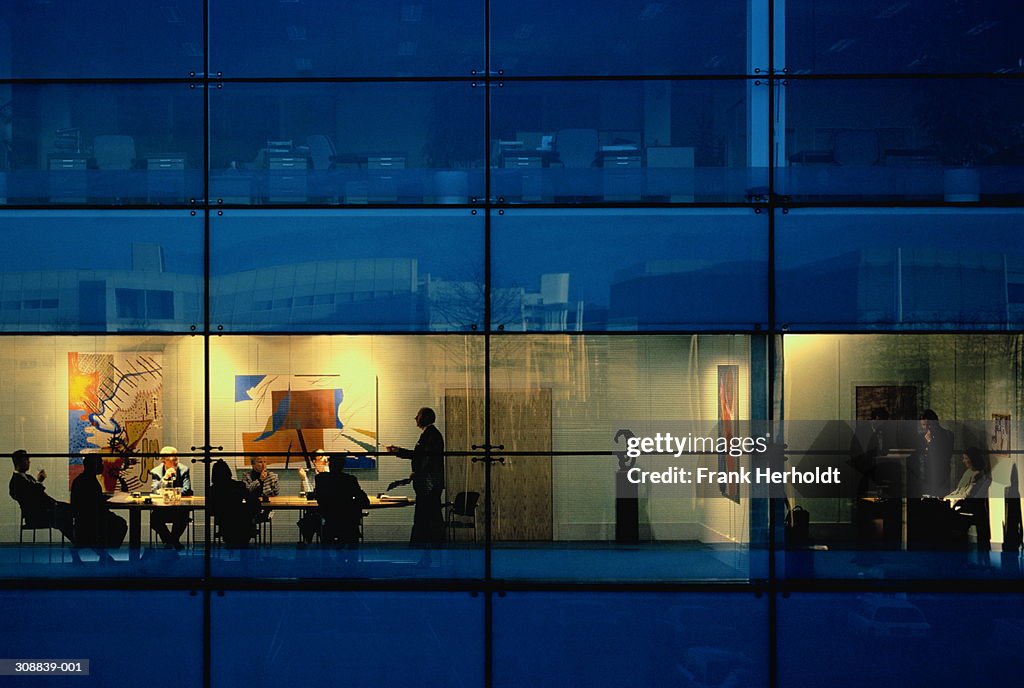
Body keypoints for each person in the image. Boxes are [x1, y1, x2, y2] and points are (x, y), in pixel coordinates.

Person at [386, 407, 446, 546]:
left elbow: (426, 459)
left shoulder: (431, 435)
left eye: (418, 415)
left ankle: (423, 550)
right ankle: (428, 553)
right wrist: (399, 451)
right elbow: (420, 456)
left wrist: (418, 473)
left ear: (424, 418)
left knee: (425, 519)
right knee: (429, 518)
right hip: (428, 484)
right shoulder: (430, 434)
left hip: (427, 485)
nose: (415, 418)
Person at [9, 449, 74, 542]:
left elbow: (40, 495)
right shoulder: (15, 482)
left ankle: (78, 540)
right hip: (36, 515)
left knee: (71, 510)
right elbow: (32, 497)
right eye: (26, 459)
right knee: (64, 516)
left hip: (46, 510)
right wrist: (39, 482)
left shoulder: (29, 478)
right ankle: (78, 540)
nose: (29, 461)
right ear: (19, 462)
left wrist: (56, 503)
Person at [71, 455, 127, 549]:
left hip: (85, 518)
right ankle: (105, 550)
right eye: (100, 463)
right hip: (92, 519)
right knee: (120, 523)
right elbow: (94, 503)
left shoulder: (82, 480)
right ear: (93, 466)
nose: (102, 466)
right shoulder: (90, 481)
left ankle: (104, 552)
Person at [314, 454, 370, 545]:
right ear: (342, 465)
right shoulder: (350, 480)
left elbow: (319, 497)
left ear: (329, 464)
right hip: (348, 521)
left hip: (329, 518)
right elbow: (364, 501)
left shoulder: (321, 479)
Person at [147, 446, 192, 550]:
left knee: (183, 516)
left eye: (177, 458)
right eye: (173, 459)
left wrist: (168, 492)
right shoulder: (156, 472)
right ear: (164, 461)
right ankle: (172, 540)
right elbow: (154, 490)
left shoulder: (184, 469)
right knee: (154, 520)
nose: (176, 462)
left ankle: (170, 542)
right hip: (162, 509)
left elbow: (187, 489)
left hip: (178, 508)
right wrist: (165, 478)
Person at [208, 459, 255, 548]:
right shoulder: (239, 486)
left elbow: (211, 510)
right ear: (228, 472)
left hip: (225, 525)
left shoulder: (213, 490)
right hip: (243, 525)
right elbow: (252, 502)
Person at [912, 409, 954, 498]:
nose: (926, 428)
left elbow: (942, 456)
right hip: (925, 477)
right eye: (923, 425)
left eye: (929, 425)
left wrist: (930, 441)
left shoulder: (947, 435)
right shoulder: (920, 437)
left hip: (941, 477)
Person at [297, 451, 329, 545]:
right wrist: (304, 479)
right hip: (314, 510)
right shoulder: (310, 474)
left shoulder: (332, 475)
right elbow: (307, 494)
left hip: (331, 511)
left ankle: (307, 542)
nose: (324, 460)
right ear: (314, 462)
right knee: (313, 518)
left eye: (325, 458)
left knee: (310, 521)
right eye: (321, 458)